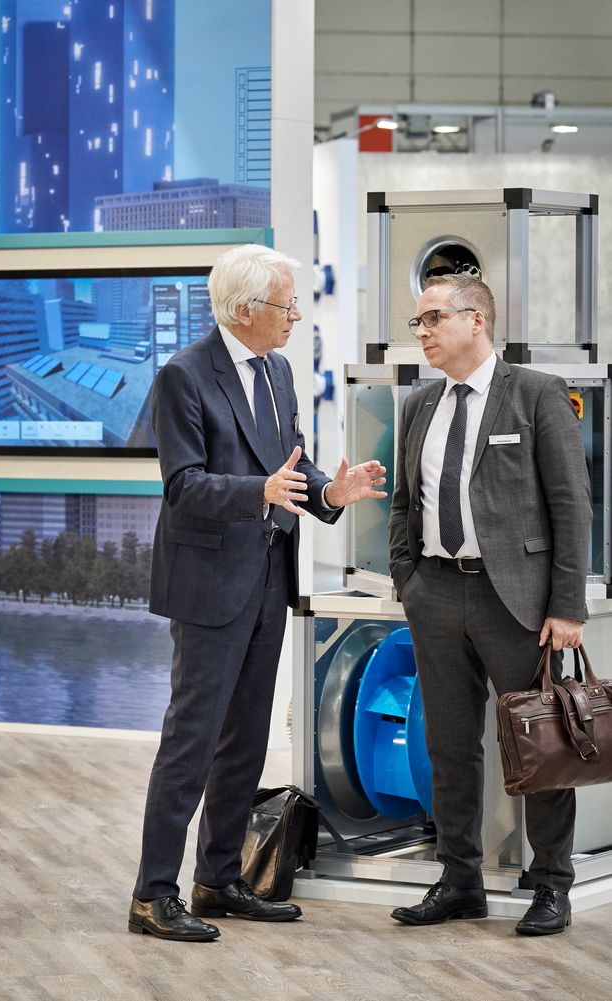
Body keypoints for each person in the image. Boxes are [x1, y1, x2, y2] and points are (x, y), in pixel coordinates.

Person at [129, 244, 388, 942]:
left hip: (269, 576)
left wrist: (333, 493)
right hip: (208, 584)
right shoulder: (183, 375)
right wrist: (259, 490)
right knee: (191, 740)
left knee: (244, 743)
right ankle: (153, 895)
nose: (295, 316)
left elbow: (292, 473)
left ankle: (218, 879)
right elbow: (182, 487)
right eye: (285, 305)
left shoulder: (277, 372)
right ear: (244, 310)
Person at [389, 273, 591, 936]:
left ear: (474, 320)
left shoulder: (533, 395)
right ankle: (458, 879)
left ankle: (551, 883)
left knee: (539, 743)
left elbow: (570, 506)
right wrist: (407, 580)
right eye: (417, 322)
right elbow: (404, 505)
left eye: (431, 318)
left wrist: (566, 604)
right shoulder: (418, 404)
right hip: (436, 594)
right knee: (447, 745)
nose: (420, 332)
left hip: (520, 602)